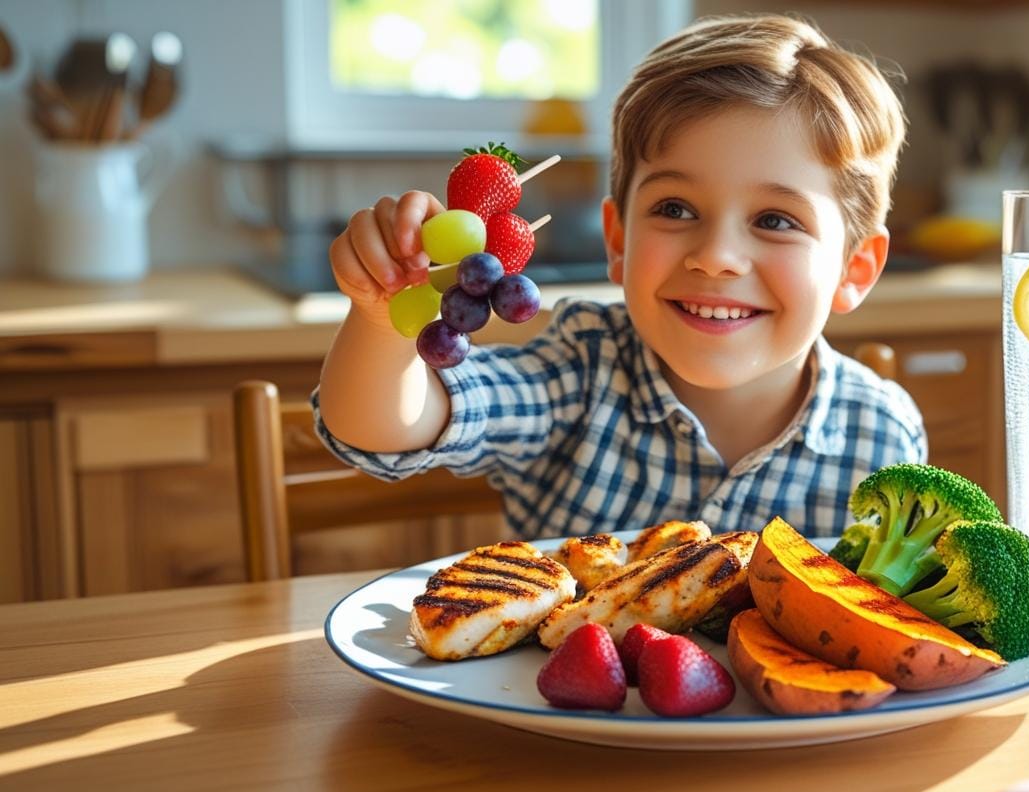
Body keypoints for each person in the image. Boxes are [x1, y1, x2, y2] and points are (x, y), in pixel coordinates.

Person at [313, 13, 925, 540]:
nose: (715, 257)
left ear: (855, 268)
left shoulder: (881, 440)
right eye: (675, 210)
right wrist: (382, 316)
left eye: (774, 219)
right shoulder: (579, 374)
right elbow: (383, 428)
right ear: (619, 240)